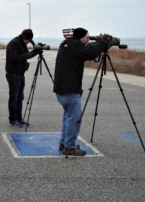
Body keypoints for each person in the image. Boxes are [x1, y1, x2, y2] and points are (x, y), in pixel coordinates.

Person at [53, 27, 112, 156]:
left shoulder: (67, 45)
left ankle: (64, 143)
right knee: (75, 119)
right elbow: (91, 54)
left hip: (61, 89)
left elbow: (87, 51)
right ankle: (69, 147)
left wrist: (97, 45)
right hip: (70, 90)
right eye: (87, 37)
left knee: (68, 118)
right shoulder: (75, 47)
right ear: (81, 38)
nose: (88, 39)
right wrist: (103, 44)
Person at [5, 29, 41, 127]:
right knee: (14, 98)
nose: (29, 42)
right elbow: (15, 58)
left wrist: (34, 52)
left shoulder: (22, 43)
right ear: (25, 38)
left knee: (20, 98)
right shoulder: (14, 43)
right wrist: (33, 52)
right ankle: (12, 120)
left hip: (20, 73)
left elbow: (25, 55)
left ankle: (19, 118)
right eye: (29, 40)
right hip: (13, 74)